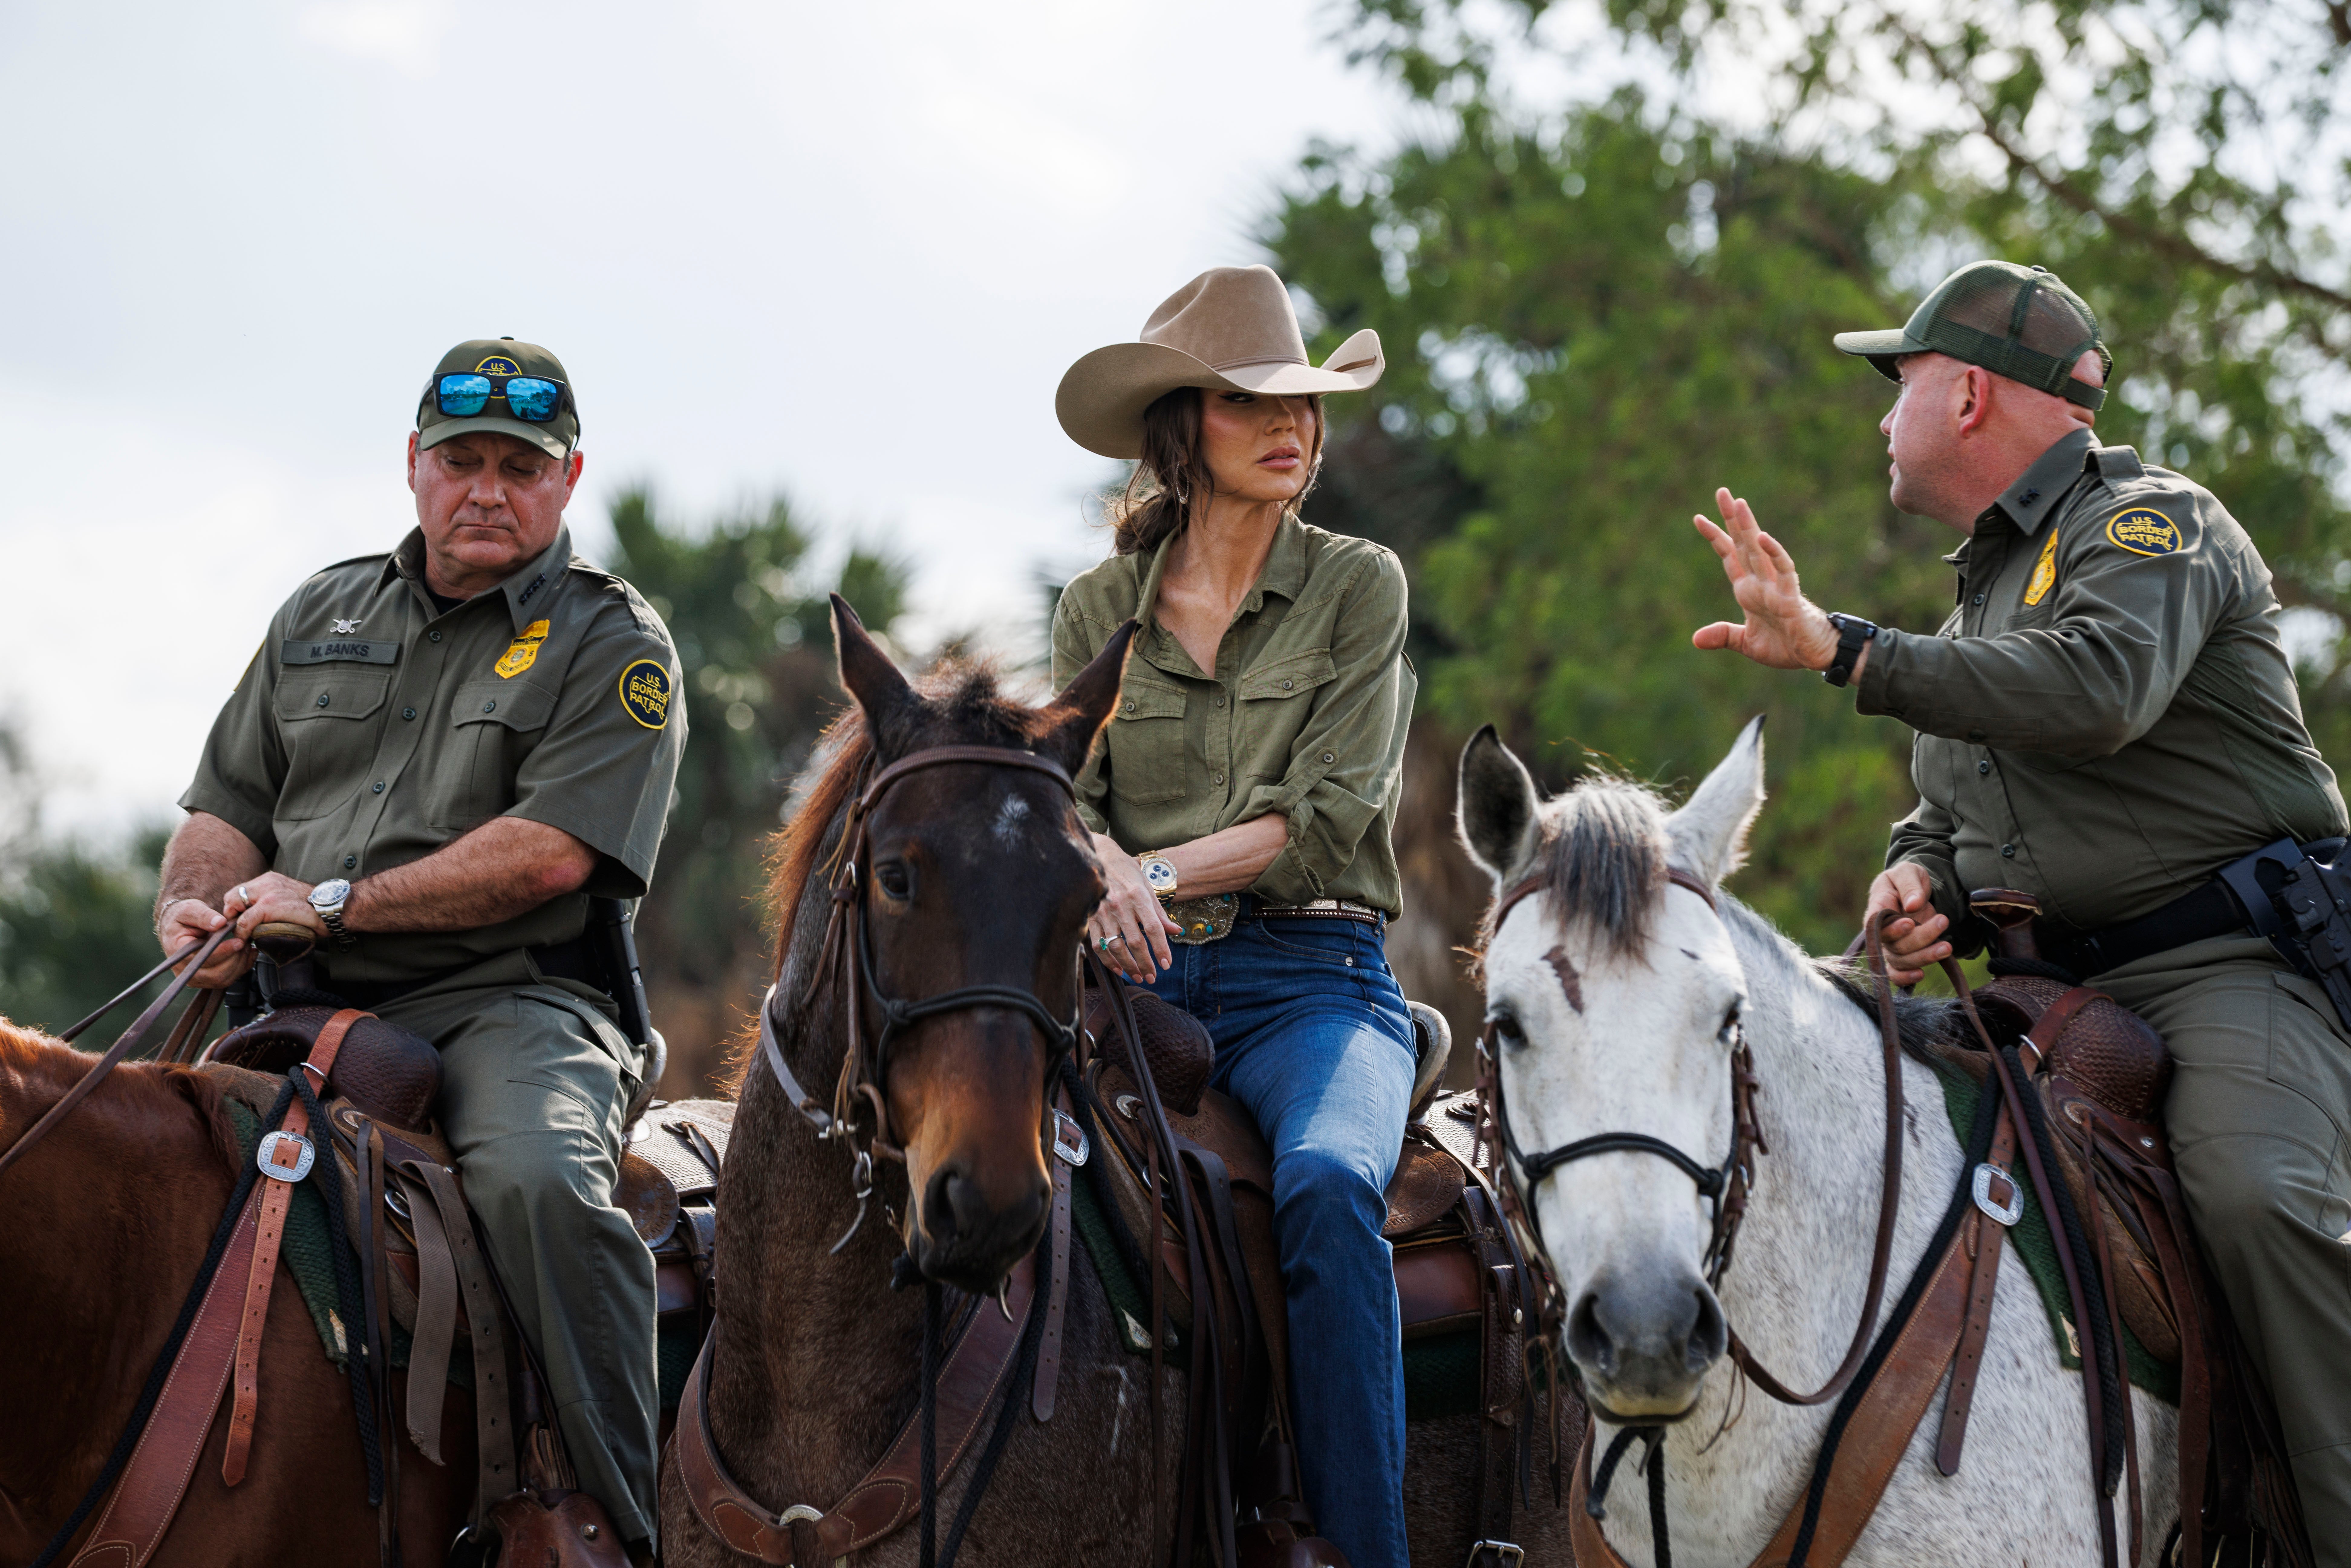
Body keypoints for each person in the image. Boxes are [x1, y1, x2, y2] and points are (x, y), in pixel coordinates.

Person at [1691, 259, 2351, 1556]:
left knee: (2258, 1196)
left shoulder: (2153, 524)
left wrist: (1844, 649)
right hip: (2042, 991)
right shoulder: (1989, 581)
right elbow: (1960, 806)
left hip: (2222, 970)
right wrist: (1916, 881)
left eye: (1905, 382)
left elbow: (2095, 690)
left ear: (1975, 394)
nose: (1886, 415)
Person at [155, 337, 685, 1558]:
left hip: (514, 1005)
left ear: (568, 481)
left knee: (542, 1192)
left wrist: (332, 903)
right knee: (130, 1167)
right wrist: (193, 908)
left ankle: (639, 1526)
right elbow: (225, 810)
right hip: (294, 996)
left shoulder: (612, 640)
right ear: (414, 466)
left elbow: (549, 853)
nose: (486, 489)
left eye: (519, 466)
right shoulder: (320, 611)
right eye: (461, 462)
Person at [1051, 265, 1417, 1564]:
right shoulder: (1098, 611)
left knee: (1324, 1188)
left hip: (1315, 981)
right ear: (1179, 428)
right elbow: (1062, 798)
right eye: (1253, 401)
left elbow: (1322, 818)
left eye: (1306, 405)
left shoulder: (1359, 584)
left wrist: (1139, 875)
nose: (1295, 427)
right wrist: (1091, 863)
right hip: (1134, 1000)